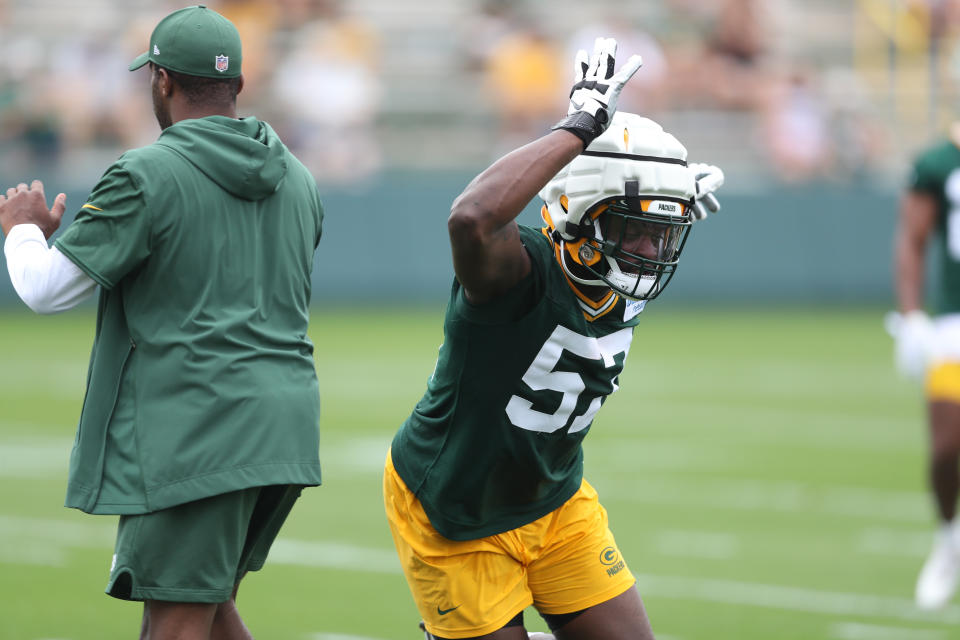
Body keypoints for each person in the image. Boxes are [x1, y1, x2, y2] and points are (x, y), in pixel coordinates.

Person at [383, 38, 724, 640]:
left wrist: (660, 191)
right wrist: (581, 125)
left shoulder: (612, 269)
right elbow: (471, 217)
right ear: (582, 211)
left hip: (555, 500)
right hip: (456, 508)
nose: (653, 250)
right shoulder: (520, 272)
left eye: (663, 232)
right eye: (638, 229)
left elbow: (625, 214)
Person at [0, 6, 324, 639]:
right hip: (284, 426)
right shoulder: (301, 179)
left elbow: (44, 291)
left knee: (173, 621)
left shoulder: (147, 172)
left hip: (196, 429)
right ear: (237, 85)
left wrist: (22, 234)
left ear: (164, 81)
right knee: (208, 603)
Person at [891, 121, 960, 610]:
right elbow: (912, 238)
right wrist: (913, 316)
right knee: (946, 446)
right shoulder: (938, 163)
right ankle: (949, 538)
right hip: (955, 325)